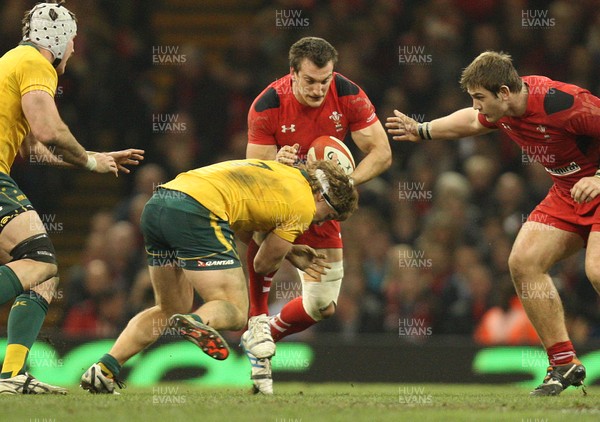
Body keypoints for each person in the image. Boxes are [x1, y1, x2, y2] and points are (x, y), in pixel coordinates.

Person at [386, 50, 600, 396]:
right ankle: (563, 364)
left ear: (503, 92)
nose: (476, 106)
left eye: (479, 98)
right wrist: (423, 129)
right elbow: (470, 122)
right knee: (524, 262)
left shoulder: (565, 103)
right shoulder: (501, 109)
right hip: (568, 190)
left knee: (597, 271)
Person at [80, 158, 358, 394]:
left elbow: (245, 226)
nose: (320, 222)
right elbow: (262, 265)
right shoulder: (304, 206)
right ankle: (198, 321)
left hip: (160, 205)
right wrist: (285, 249)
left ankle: (105, 368)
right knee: (236, 310)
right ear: (322, 195)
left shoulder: (283, 173)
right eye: (327, 215)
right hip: (198, 211)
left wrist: (288, 250)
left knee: (169, 307)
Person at [0, 1, 144, 394]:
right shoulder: (34, 64)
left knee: (42, 278)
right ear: (59, 38)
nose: (76, 50)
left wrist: (92, 159)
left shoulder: (12, 61)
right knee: (39, 261)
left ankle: (11, 375)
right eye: (74, 41)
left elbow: (32, 147)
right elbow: (50, 131)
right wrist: (92, 165)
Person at [244, 36, 391, 394]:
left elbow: (382, 153)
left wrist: (339, 184)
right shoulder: (268, 104)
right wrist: (275, 165)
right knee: (268, 251)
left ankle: (270, 332)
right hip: (280, 198)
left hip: (322, 208)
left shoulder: (348, 93)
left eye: (324, 81)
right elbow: (252, 173)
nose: (318, 89)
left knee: (323, 305)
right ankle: (257, 320)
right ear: (292, 73)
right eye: (309, 81)